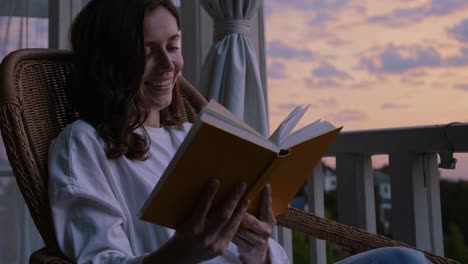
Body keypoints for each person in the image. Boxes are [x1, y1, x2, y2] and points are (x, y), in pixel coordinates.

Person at [48, 0, 431, 263]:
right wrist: (179, 254)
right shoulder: (84, 144)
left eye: (173, 45)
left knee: (403, 259)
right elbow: (98, 257)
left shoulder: (188, 137)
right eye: (147, 51)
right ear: (111, 60)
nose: (168, 65)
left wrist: (259, 246)